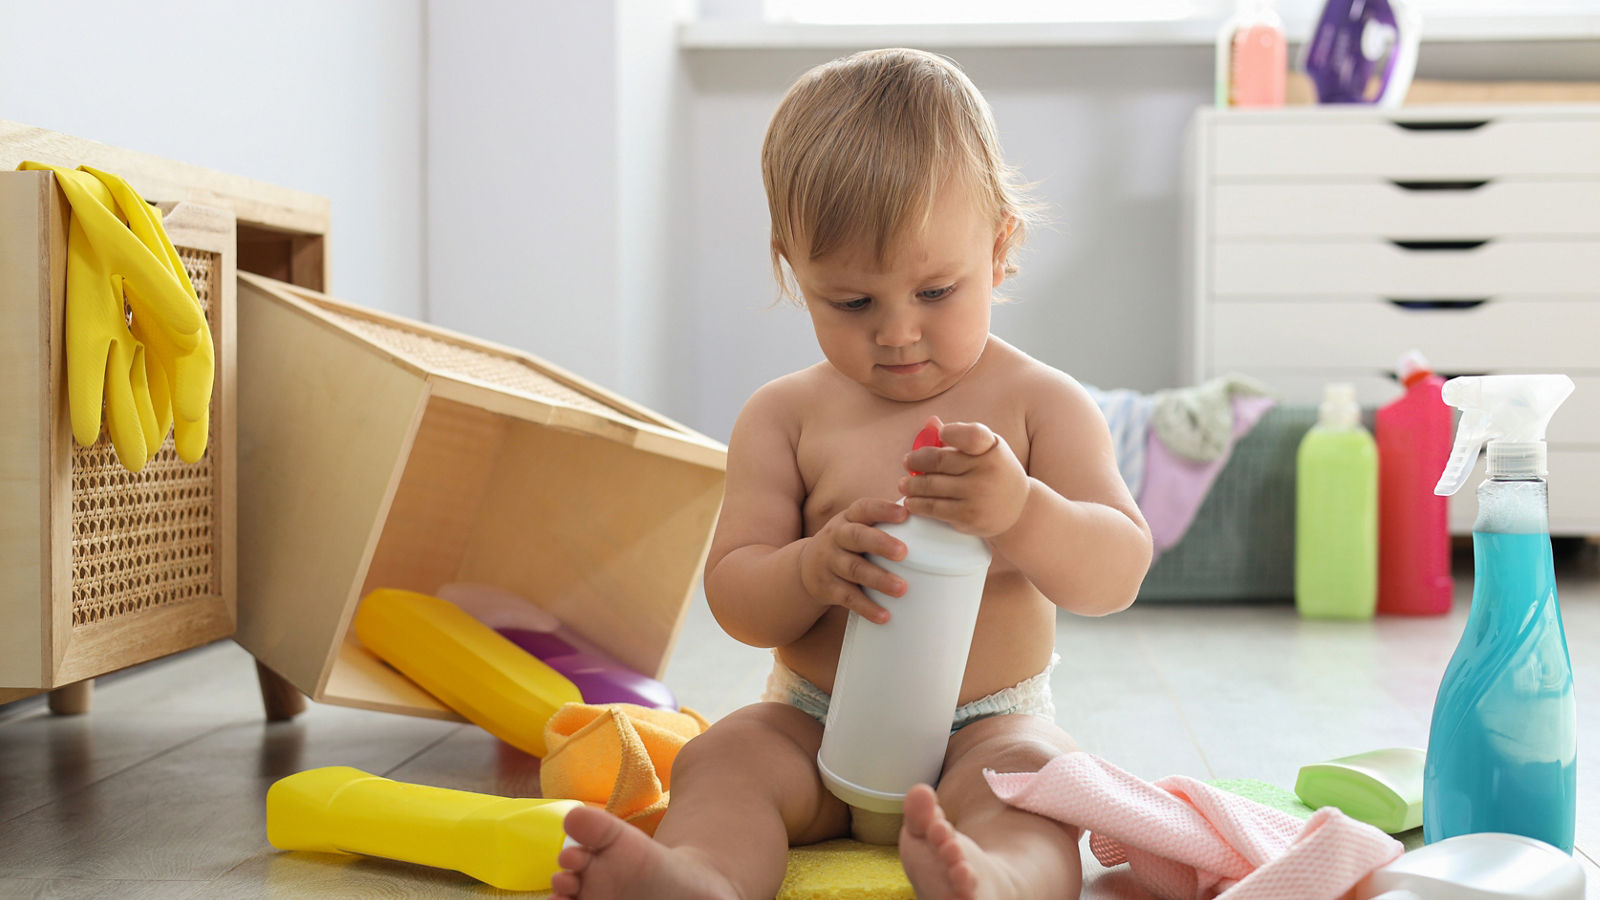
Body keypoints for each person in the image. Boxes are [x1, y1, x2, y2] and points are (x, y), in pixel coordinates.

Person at [552, 47, 1152, 900]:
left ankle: (996, 878)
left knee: (1041, 784)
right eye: (853, 303)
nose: (898, 333)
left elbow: (1116, 574)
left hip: (983, 729)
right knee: (723, 758)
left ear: (1000, 246)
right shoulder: (785, 417)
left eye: (937, 292)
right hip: (815, 722)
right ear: (792, 269)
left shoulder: (1040, 406)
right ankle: (702, 880)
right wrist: (809, 567)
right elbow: (735, 595)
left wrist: (1021, 511)